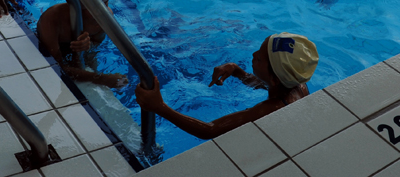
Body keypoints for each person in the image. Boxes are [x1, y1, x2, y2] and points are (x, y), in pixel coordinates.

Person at [135, 33, 319, 140]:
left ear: (275, 79)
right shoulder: (297, 83)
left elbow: (210, 130)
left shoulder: (269, 110)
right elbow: (267, 85)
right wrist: (238, 72)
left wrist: (160, 107)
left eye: (260, 59)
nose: (253, 54)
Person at [37, 0, 128, 87]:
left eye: (105, 5)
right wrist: (101, 79)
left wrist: (87, 47)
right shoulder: (51, 21)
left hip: (78, 54)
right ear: (77, 6)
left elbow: (96, 45)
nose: (102, 13)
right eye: (97, 8)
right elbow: (55, 67)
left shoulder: (105, 17)